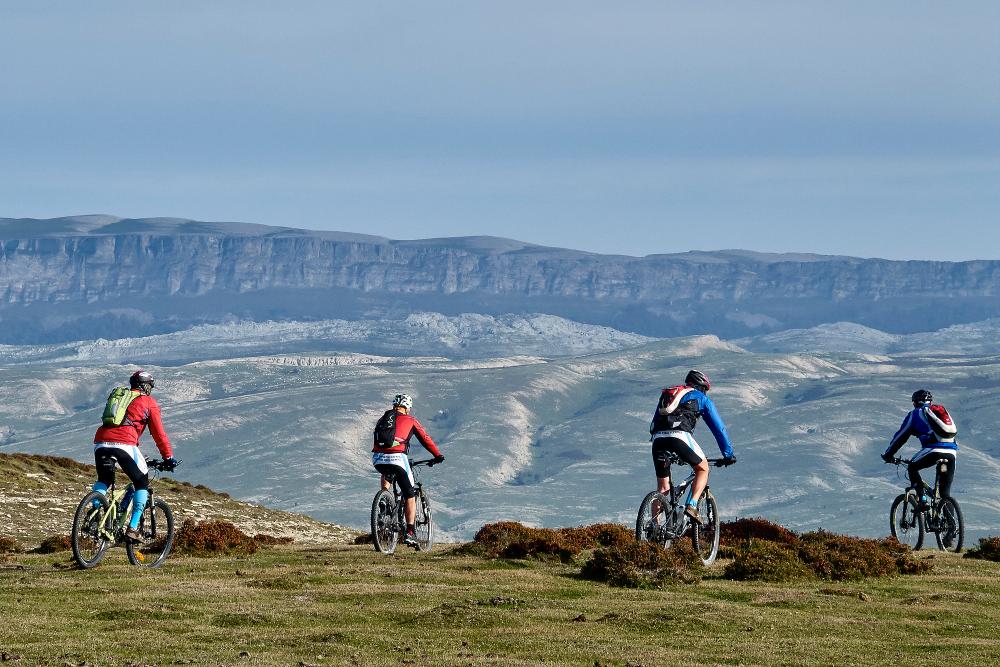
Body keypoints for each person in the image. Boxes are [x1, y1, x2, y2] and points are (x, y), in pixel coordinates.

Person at [91, 370, 177, 540]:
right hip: (124, 444)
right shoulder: (148, 402)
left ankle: (94, 513)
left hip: (100, 442)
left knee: (104, 480)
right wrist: (168, 457)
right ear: (146, 386)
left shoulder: (120, 397)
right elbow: (159, 434)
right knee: (141, 482)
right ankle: (132, 528)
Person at [649, 370, 736, 524]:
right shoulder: (701, 398)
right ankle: (692, 505)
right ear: (702, 387)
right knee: (703, 469)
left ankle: (654, 529)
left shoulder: (670, 395)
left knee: (662, 489)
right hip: (680, 437)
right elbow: (719, 429)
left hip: (658, 440)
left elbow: (656, 420)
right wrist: (728, 454)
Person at [372, 394, 444, 547]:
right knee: (410, 494)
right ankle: (410, 532)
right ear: (407, 407)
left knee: (387, 471)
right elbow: (425, 439)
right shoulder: (410, 420)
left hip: (378, 459)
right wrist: (437, 455)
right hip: (398, 458)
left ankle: (384, 499)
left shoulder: (383, 419)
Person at [881, 389, 958, 507]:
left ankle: (922, 500)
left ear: (915, 403)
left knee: (912, 467)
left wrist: (888, 455)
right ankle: (953, 524)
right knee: (945, 495)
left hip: (933, 450)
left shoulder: (915, 414)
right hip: (951, 453)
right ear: (930, 402)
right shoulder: (939, 413)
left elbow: (901, 437)